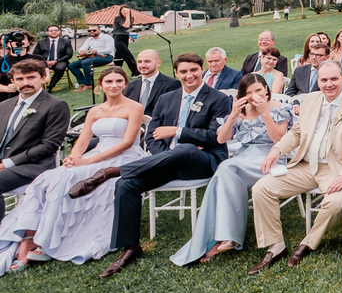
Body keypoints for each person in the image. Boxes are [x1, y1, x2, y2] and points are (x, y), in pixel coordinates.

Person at [67, 53, 233, 277]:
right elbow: (151, 138)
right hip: (166, 162)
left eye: (193, 70)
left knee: (185, 148)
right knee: (127, 185)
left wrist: (178, 132)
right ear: (176, 73)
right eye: (183, 71)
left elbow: (217, 137)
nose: (189, 75)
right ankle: (130, 247)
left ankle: (110, 172)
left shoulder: (219, 99)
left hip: (203, 161)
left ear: (202, 69)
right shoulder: (167, 98)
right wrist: (165, 157)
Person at [0, 65, 137, 274]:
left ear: (125, 83)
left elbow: (127, 143)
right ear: (100, 86)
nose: (114, 85)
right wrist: (73, 158)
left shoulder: (134, 107)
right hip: (95, 155)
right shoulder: (95, 111)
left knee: (79, 177)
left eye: (119, 81)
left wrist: (90, 162)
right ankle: (35, 237)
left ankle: (47, 242)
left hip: (123, 157)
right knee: (53, 178)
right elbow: (82, 141)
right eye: (109, 81)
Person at [247, 60, 342, 274]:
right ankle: (275, 246)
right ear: (318, 80)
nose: (329, 84)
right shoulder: (310, 100)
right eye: (324, 80)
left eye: (334, 79)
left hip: (338, 168)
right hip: (306, 166)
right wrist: (277, 150)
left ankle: (308, 242)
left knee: (335, 203)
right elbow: (297, 132)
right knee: (262, 188)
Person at [170, 74, 293, 266]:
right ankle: (224, 237)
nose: (254, 96)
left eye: (258, 90)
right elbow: (221, 139)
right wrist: (234, 114)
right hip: (243, 157)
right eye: (248, 92)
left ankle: (224, 237)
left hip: (269, 157)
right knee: (226, 171)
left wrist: (265, 113)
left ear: (266, 89)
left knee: (225, 168)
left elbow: (278, 139)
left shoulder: (280, 108)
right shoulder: (241, 111)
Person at [0, 59, 70, 224]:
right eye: (20, 79)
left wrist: (7, 163)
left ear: (43, 77)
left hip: (32, 166)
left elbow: (49, 146)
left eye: (31, 77)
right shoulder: (4, 105)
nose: (26, 83)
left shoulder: (56, 105)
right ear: (12, 81)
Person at [123, 49, 181, 113]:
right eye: (139, 62)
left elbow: (170, 111)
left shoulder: (171, 84)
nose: (142, 65)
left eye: (147, 61)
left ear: (158, 63)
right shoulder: (130, 86)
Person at [68, 25, 115, 91]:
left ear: (100, 30)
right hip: (93, 57)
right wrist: (82, 51)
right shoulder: (89, 40)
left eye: (94, 30)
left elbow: (109, 49)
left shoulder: (107, 38)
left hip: (107, 56)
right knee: (72, 65)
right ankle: (83, 83)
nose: (91, 32)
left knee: (85, 62)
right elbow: (83, 47)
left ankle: (88, 84)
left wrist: (96, 52)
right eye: (89, 31)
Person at [34, 24, 74, 92]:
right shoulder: (41, 42)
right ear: (47, 32)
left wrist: (56, 61)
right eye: (51, 30)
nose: (54, 32)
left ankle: (50, 87)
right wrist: (44, 62)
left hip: (59, 62)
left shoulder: (66, 41)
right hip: (44, 62)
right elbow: (35, 54)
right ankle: (36, 88)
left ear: (59, 32)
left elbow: (69, 54)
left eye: (56, 30)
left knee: (60, 68)